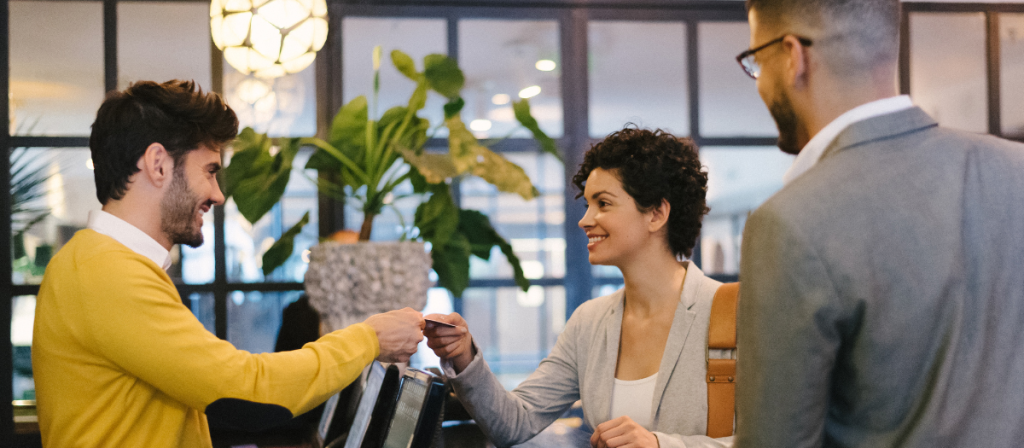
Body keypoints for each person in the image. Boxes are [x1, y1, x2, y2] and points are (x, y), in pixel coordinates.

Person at [31, 80, 425, 448]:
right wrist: (369, 337)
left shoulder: (100, 262)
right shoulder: (108, 272)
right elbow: (246, 394)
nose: (218, 195)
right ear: (158, 164)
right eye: (210, 171)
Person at [735, 0, 1024, 446]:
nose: (758, 83)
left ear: (794, 57)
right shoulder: (1016, 170)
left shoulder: (790, 223)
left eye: (757, 61)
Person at [425, 127, 734, 448]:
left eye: (603, 203)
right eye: (587, 204)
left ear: (656, 214)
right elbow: (514, 422)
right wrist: (463, 355)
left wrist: (660, 445)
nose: (585, 220)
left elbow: (782, 439)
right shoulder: (590, 321)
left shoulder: (734, 314)